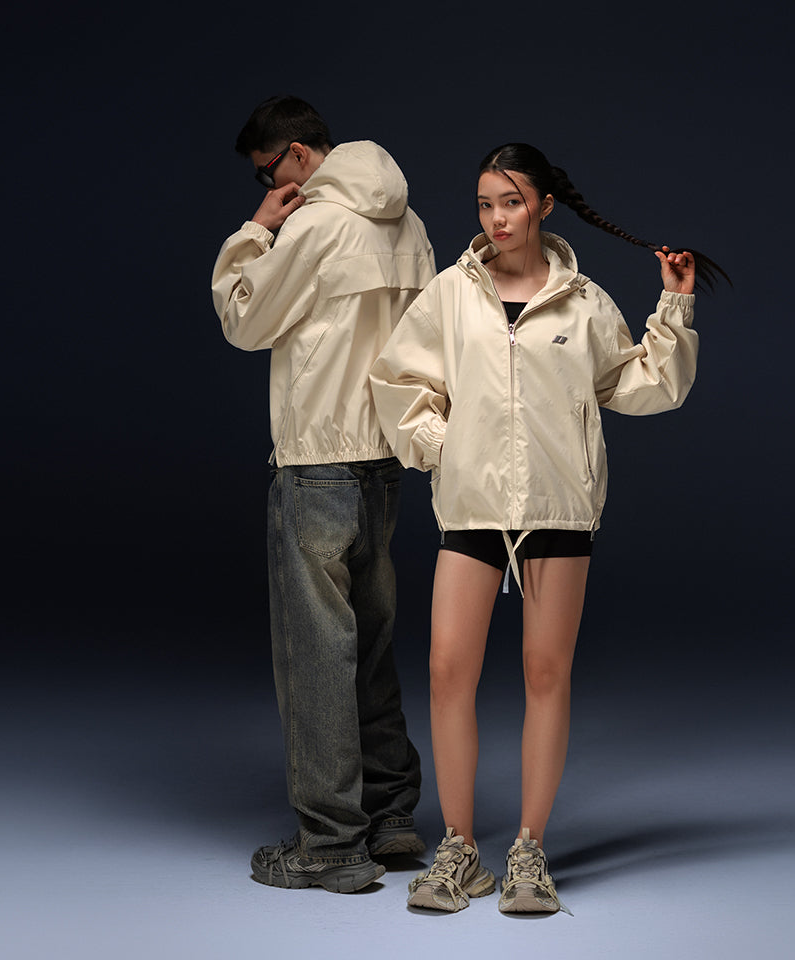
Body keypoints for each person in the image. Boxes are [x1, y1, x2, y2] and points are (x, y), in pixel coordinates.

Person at [370, 142, 726, 915]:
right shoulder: (450, 295)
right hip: (472, 508)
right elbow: (399, 382)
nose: (496, 218)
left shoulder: (584, 303)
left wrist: (673, 307)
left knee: (545, 674)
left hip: (559, 511)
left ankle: (529, 852)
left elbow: (642, 384)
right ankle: (459, 850)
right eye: (485, 203)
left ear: (543, 207)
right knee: (446, 671)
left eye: (511, 202)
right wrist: (443, 448)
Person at [211, 96, 437, 893]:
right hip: (385, 462)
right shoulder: (410, 226)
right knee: (370, 644)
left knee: (315, 656)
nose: (269, 185)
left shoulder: (311, 226)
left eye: (267, 171)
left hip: (317, 461)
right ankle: (392, 815)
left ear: (299, 155)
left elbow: (243, 321)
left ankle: (332, 844)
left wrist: (255, 229)